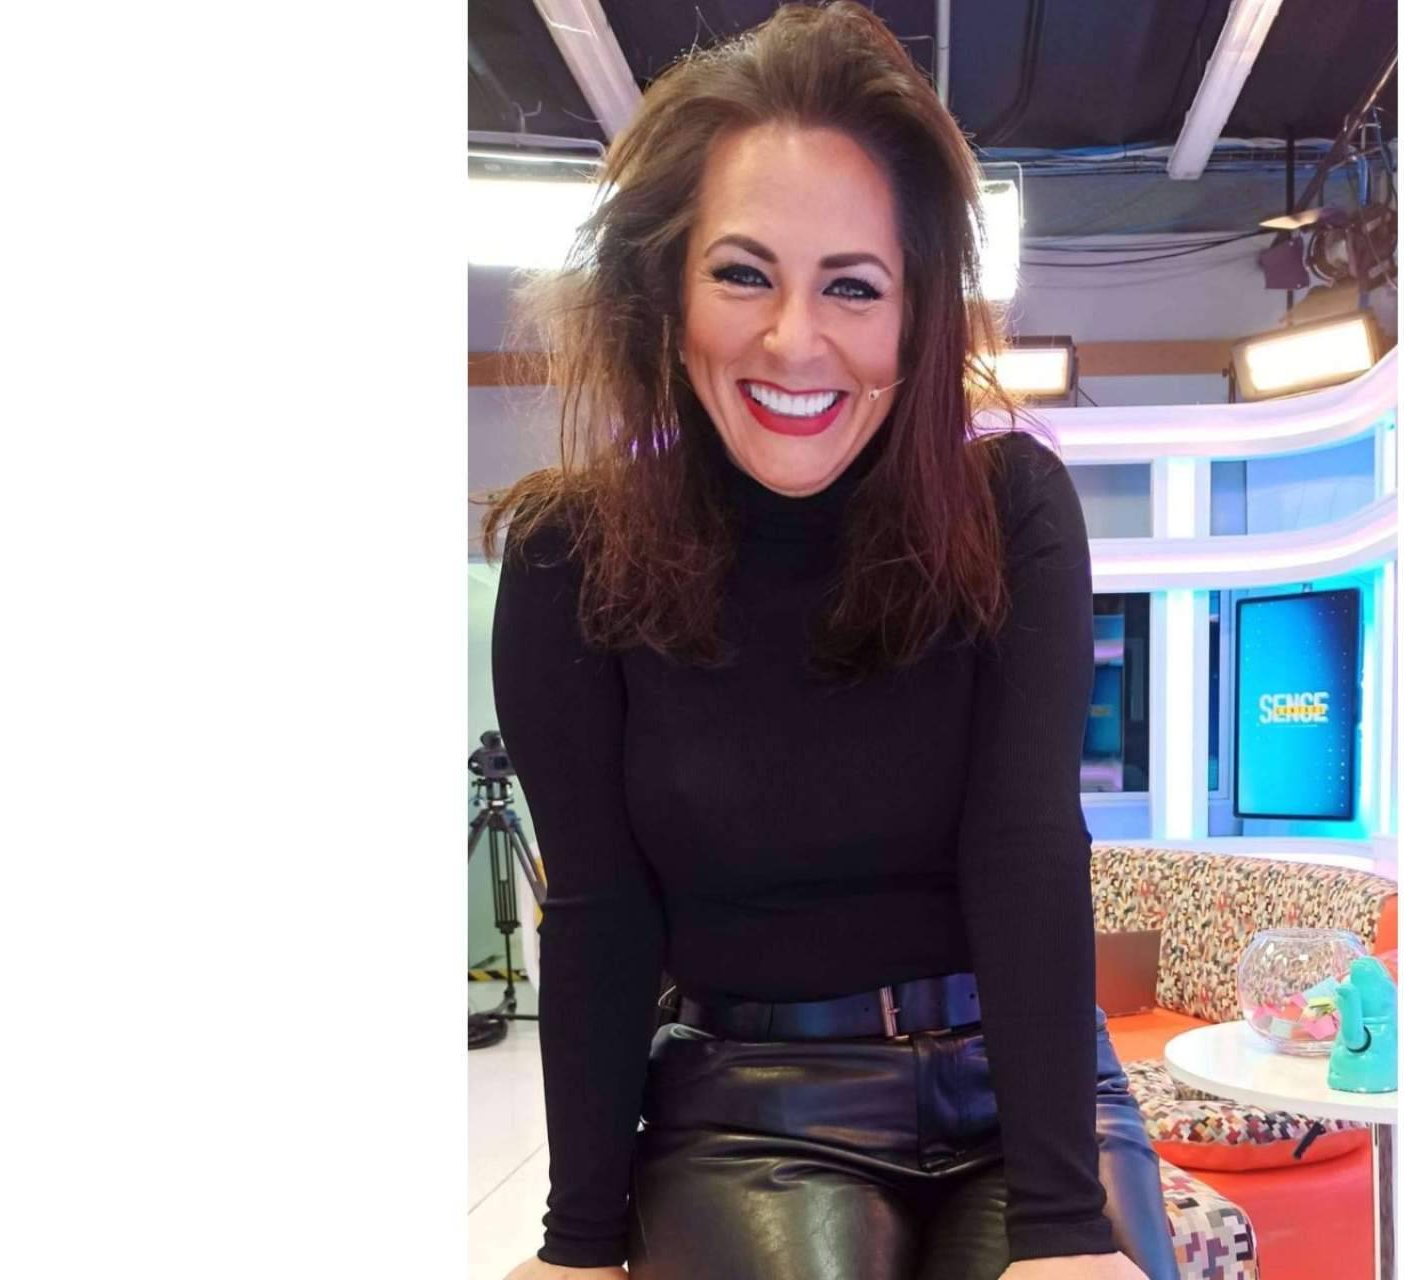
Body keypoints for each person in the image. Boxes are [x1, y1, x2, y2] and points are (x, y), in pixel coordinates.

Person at [482, 6, 1178, 1278]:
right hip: (753, 1100)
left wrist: (1064, 1229)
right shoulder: (567, 559)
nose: (795, 339)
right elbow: (596, 908)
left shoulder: (1011, 512)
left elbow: (1026, 847)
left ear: (914, 320)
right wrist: (577, 1242)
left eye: (852, 286)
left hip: (1028, 1085)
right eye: (742, 274)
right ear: (664, 292)